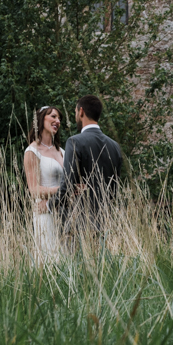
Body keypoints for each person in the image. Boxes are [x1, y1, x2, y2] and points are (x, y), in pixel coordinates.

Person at [56, 95, 123, 252]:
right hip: (105, 221)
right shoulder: (115, 146)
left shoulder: (74, 141)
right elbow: (114, 188)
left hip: (79, 221)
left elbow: (67, 184)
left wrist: (51, 205)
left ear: (81, 112)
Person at [23, 105, 65, 262]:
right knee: (49, 259)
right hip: (44, 213)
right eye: (53, 116)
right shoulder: (32, 151)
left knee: (67, 259)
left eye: (59, 118)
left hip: (64, 211)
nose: (57, 121)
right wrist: (63, 190)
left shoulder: (62, 151)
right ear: (41, 119)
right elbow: (34, 190)